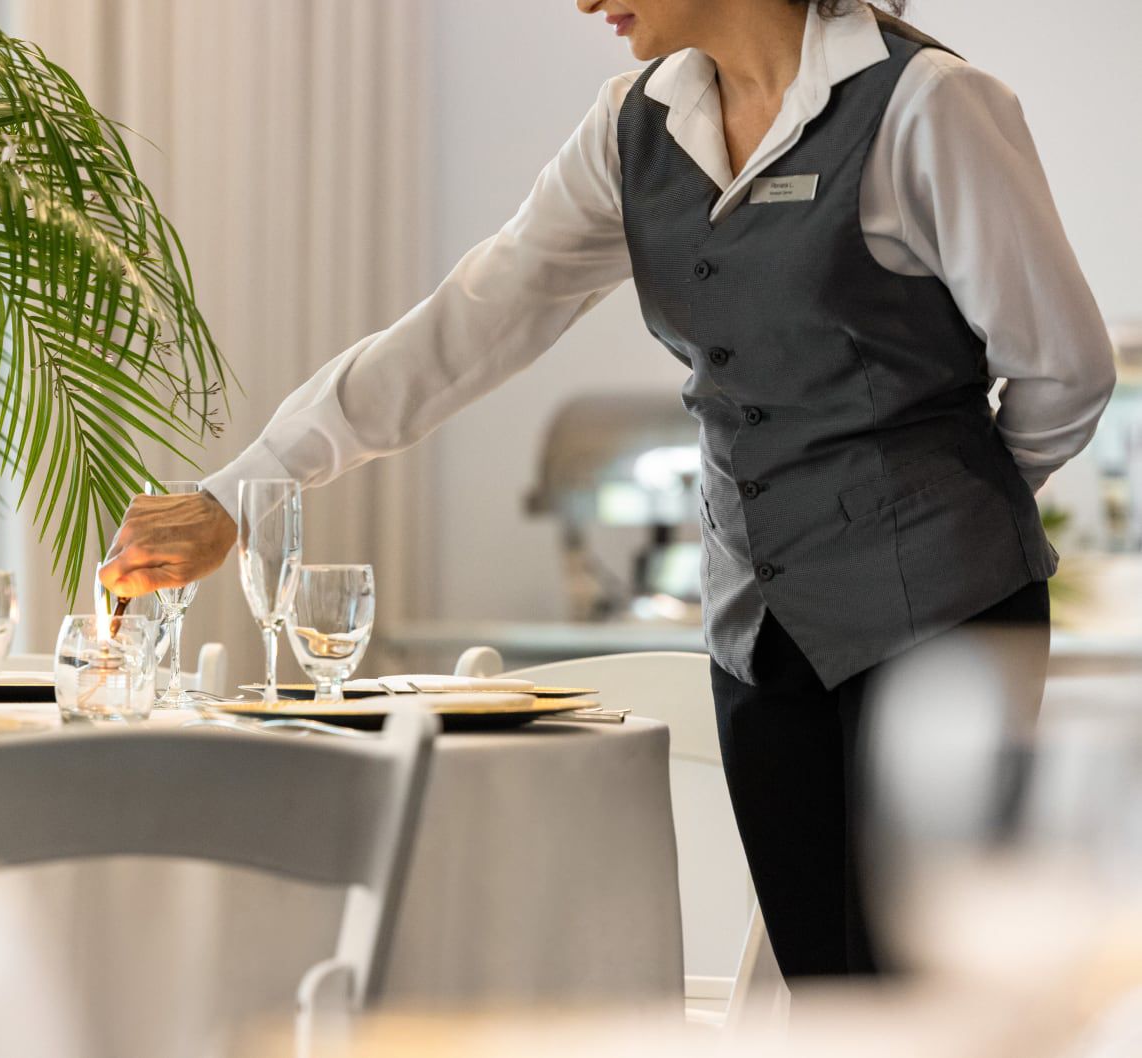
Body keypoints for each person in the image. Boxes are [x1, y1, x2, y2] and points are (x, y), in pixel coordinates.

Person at [100, 0, 1116, 978]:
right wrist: (239, 493)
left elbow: (1065, 368)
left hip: (944, 622)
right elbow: (469, 323)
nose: (584, 1)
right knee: (828, 998)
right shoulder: (630, 129)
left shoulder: (928, 105)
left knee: (930, 996)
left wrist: (944, 523)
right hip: (762, 634)